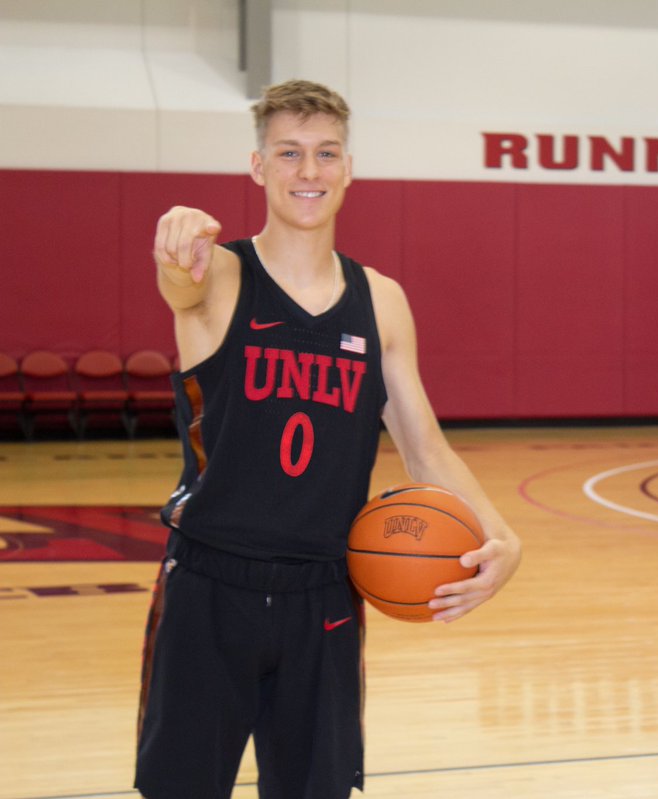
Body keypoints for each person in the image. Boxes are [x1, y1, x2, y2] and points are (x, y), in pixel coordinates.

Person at [136, 79, 522, 799]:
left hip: (326, 593)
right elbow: (177, 286)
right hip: (211, 584)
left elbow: (425, 449)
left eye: (325, 154)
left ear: (348, 167)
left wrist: (506, 538)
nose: (308, 171)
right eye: (288, 153)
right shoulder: (217, 274)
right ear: (258, 167)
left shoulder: (381, 299)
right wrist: (174, 240)